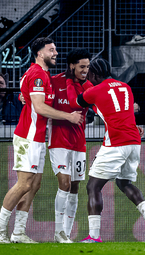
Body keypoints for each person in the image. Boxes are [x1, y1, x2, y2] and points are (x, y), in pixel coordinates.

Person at [0, 37, 83, 244]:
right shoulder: (38, 75)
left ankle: (18, 232)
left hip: (38, 138)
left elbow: (28, 96)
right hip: (28, 137)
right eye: (51, 50)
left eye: (55, 50)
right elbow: (39, 107)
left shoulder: (39, 74)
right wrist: (69, 116)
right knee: (23, 184)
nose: (55, 53)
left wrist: (27, 98)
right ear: (40, 53)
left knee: (34, 185)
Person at [71, 58, 145, 243]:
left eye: (89, 73)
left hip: (116, 142)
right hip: (134, 141)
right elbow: (123, 111)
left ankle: (94, 236)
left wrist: (81, 80)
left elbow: (79, 101)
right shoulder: (125, 87)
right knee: (124, 183)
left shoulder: (94, 90)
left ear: (94, 75)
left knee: (93, 186)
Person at [49, 48, 93, 243]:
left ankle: (66, 233)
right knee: (64, 184)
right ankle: (58, 231)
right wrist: (21, 97)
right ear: (72, 65)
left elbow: (105, 109)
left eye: (88, 67)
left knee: (75, 187)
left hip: (78, 143)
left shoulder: (89, 87)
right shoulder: (54, 81)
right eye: (82, 66)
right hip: (58, 140)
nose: (85, 70)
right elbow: (36, 99)